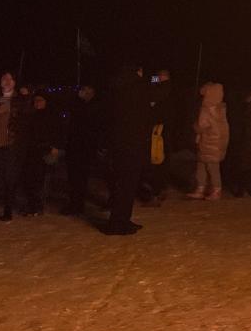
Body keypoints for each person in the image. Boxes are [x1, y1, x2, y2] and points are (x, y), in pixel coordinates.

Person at [105, 63, 152, 235]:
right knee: (128, 185)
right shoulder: (137, 88)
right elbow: (154, 88)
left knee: (120, 185)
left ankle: (119, 220)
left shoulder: (116, 88)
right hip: (132, 143)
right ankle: (119, 222)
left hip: (118, 144)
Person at [0, 71, 25, 221]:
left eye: (10, 78)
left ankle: (7, 211)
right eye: (4, 78)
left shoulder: (20, 100)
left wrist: (8, 108)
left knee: (9, 179)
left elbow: (25, 116)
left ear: (15, 82)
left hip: (11, 145)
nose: (7, 81)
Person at [63, 83, 102, 216]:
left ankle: (77, 205)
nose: (83, 92)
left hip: (84, 147)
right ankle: (75, 203)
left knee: (80, 177)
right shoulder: (81, 105)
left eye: (86, 89)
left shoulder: (93, 107)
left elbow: (86, 121)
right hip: (75, 146)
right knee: (74, 177)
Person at [19, 91, 61, 215]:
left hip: (44, 151)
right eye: (35, 100)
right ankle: (31, 204)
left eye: (40, 100)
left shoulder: (52, 116)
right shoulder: (33, 115)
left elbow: (57, 132)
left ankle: (37, 206)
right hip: (32, 151)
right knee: (29, 178)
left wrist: (55, 147)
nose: (37, 103)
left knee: (40, 181)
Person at [188, 82, 229, 200]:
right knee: (207, 166)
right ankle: (204, 189)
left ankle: (212, 190)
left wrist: (194, 126)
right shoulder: (221, 109)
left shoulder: (206, 109)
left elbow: (201, 125)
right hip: (217, 143)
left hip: (208, 142)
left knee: (208, 167)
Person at [139, 69, 172, 205]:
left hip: (158, 130)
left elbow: (151, 90)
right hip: (164, 129)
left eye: (159, 76)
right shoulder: (168, 88)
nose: (156, 78)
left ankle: (156, 193)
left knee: (156, 161)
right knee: (161, 161)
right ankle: (160, 189)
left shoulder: (163, 90)